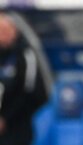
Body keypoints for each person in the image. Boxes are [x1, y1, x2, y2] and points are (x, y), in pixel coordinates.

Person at [0, 13, 47, 145]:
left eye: (6, 30)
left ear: (15, 31)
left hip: (18, 130)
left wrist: (6, 118)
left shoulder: (26, 56)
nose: (3, 35)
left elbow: (31, 93)